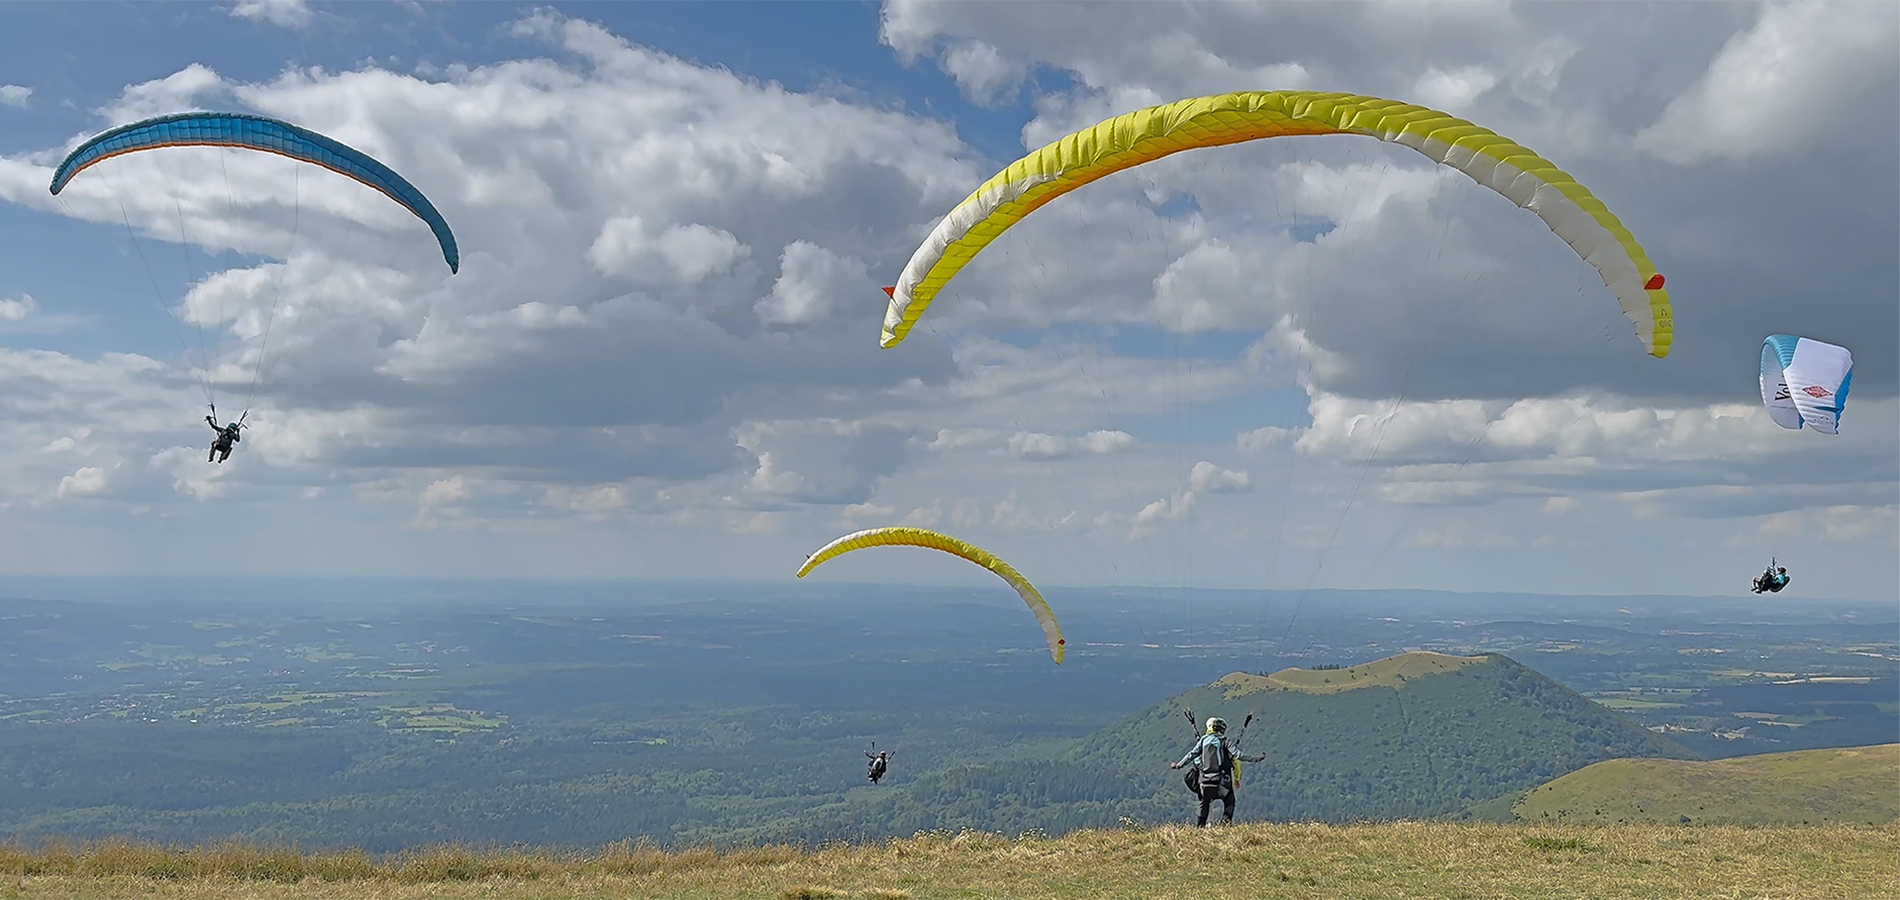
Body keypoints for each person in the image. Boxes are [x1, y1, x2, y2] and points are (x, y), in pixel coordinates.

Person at [1169, 717, 1265, 826]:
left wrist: (1177, 765)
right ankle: (1225, 825)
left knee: (1204, 803)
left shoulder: (1203, 740)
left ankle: (1200, 828)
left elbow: (1191, 755)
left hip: (1204, 783)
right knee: (1230, 802)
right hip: (1221, 783)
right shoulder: (1225, 741)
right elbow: (1238, 756)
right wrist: (1256, 758)